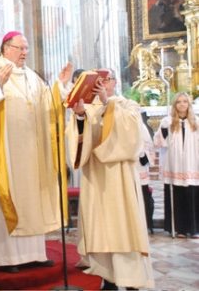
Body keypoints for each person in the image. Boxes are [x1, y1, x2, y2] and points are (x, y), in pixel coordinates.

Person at [0, 31, 61, 272]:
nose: (24, 52)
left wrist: (60, 89)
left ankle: (34, 254)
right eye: (20, 48)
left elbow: (47, 105)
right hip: (5, 151)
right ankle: (4, 258)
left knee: (31, 198)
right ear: (6, 47)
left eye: (26, 48)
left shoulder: (31, 76)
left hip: (30, 150)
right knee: (5, 197)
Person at [65, 69, 154, 289]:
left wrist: (108, 103)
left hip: (120, 177)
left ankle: (131, 279)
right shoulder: (87, 109)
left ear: (115, 82)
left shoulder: (127, 105)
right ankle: (108, 278)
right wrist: (78, 117)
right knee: (101, 228)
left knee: (124, 227)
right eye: (99, 81)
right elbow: (76, 144)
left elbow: (133, 138)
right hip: (97, 179)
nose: (103, 84)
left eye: (107, 80)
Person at [153, 92, 199, 238]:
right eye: (179, 102)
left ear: (189, 104)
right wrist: (165, 130)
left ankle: (194, 228)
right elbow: (159, 142)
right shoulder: (167, 121)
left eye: (185, 101)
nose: (182, 104)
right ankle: (179, 228)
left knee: (193, 196)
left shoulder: (196, 122)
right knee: (177, 196)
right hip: (175, 165)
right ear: (175, 105)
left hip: (192, 164)